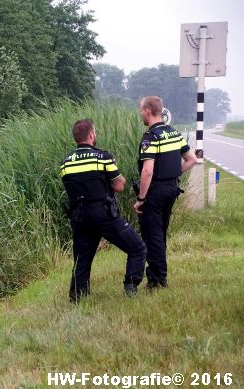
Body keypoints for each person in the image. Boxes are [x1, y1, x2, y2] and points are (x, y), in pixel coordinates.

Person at [61, 119, 147, 303]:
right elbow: (119, 185)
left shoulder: (65, 162)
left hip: (79, 217)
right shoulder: (102, 157)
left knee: (82, 259)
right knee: (137, 247)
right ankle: (130, 285)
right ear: (91, 135)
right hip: (104, 215)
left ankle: (78, 297)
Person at [134, 96, 197, 289]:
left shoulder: (151, 137)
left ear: (147, 111)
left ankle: (157, 280)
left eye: (141, 110)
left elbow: (147, 171)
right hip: (171, 189)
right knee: (160, 234)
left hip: (154, 193)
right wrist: (173, 174)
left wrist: (141, 198)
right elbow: (191, 159)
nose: (140, 113)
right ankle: (158, 275)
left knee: (152, 236)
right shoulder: (174, 133)